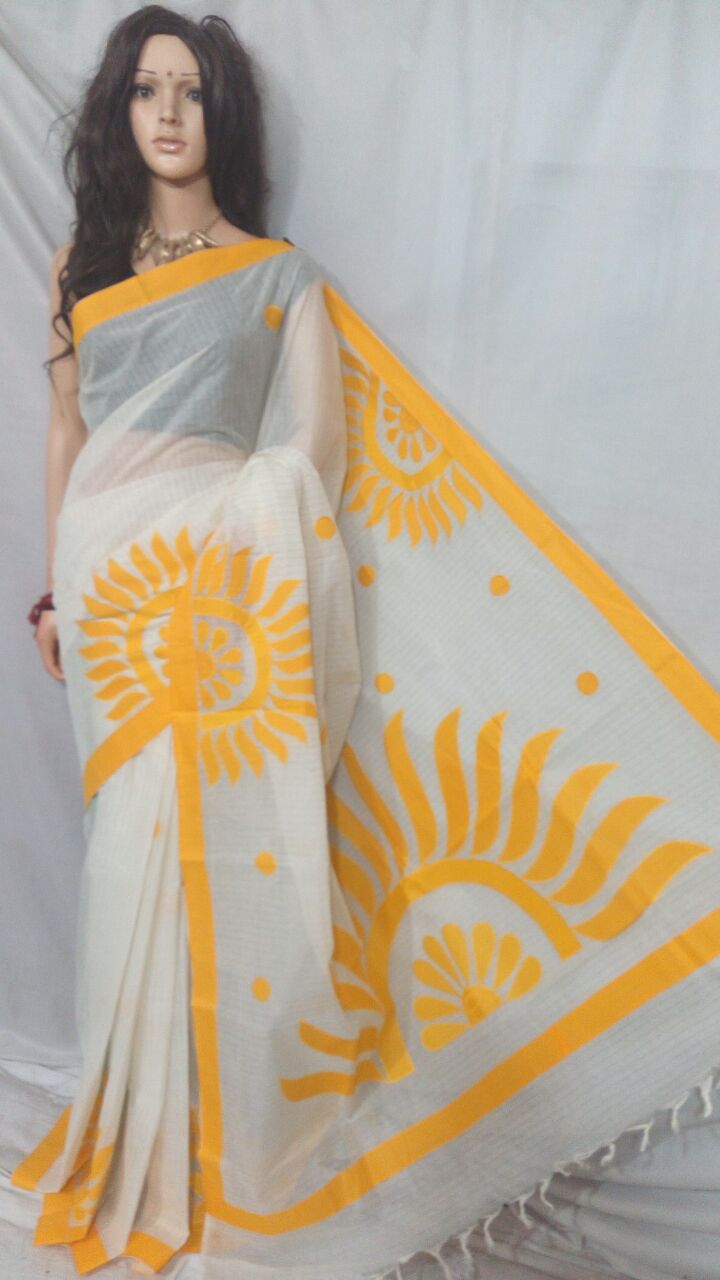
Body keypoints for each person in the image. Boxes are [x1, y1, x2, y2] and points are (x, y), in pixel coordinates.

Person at [13, 6, 720, 1279]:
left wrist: (229, 537)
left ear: (222, 113)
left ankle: (224, 1131)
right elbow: (69, 431)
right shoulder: (84, 267)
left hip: (220, 594)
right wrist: (58, 594)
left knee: (217, 851)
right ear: (120, 113)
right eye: (146, 91)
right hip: (112, 598)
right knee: (129, 850)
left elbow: (315, 454)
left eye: (190, 91)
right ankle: (138, 1120)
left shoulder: (277, 274)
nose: (167, 113)